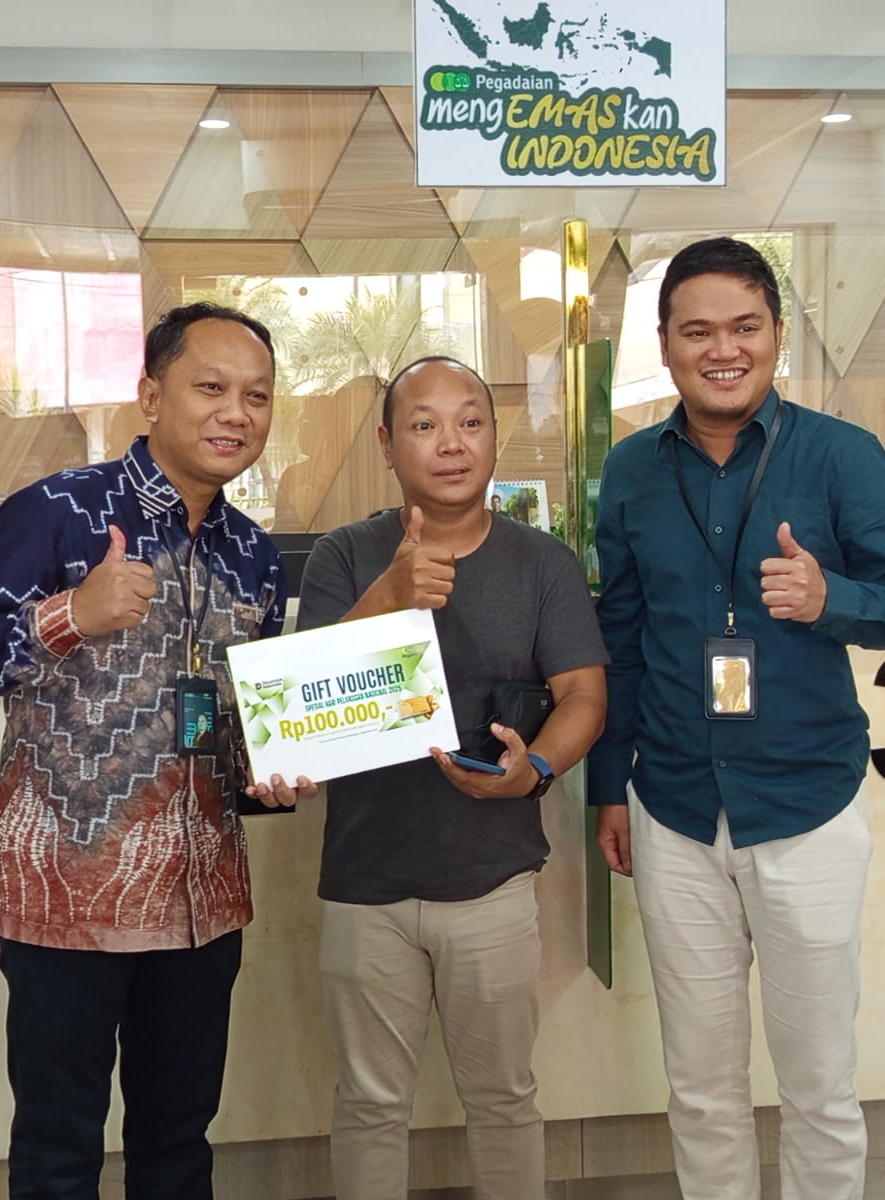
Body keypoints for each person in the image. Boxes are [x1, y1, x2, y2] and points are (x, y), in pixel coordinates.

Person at [0, 302, 311, 1200]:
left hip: (201, 904)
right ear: (150, 395)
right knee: (58, 1149)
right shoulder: (58, 512)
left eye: (257, 396)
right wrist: (74, 612)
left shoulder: (254, 553)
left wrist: (266, 775)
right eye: (210, 388)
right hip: (68, 897)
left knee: (178, 1145)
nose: (235, 413)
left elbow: (229, 726)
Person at [587, 237, 885, 1200]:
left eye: (744, 327)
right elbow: (621, 641)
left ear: (777, 335)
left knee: (819, 1086)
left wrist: (832, 600)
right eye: (697, 331)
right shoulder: (632, 470)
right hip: (673, 811)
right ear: (665, 343)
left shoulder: (840, 456)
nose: (723, 350)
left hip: (808, 809)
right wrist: (608, 788)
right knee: (701, 1089)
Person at [295, 356, 608, 1200]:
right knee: (369, 1104)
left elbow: (584, 696)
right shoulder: (343, 554)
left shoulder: (542, 563)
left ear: (495, 437)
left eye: (471, 421)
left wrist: (533, 768)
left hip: (492, 880)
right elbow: (302, 705)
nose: (451, 443)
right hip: (365, 882)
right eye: (425, 425)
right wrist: (390, 595)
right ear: (388, 444)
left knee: (504, 1099)